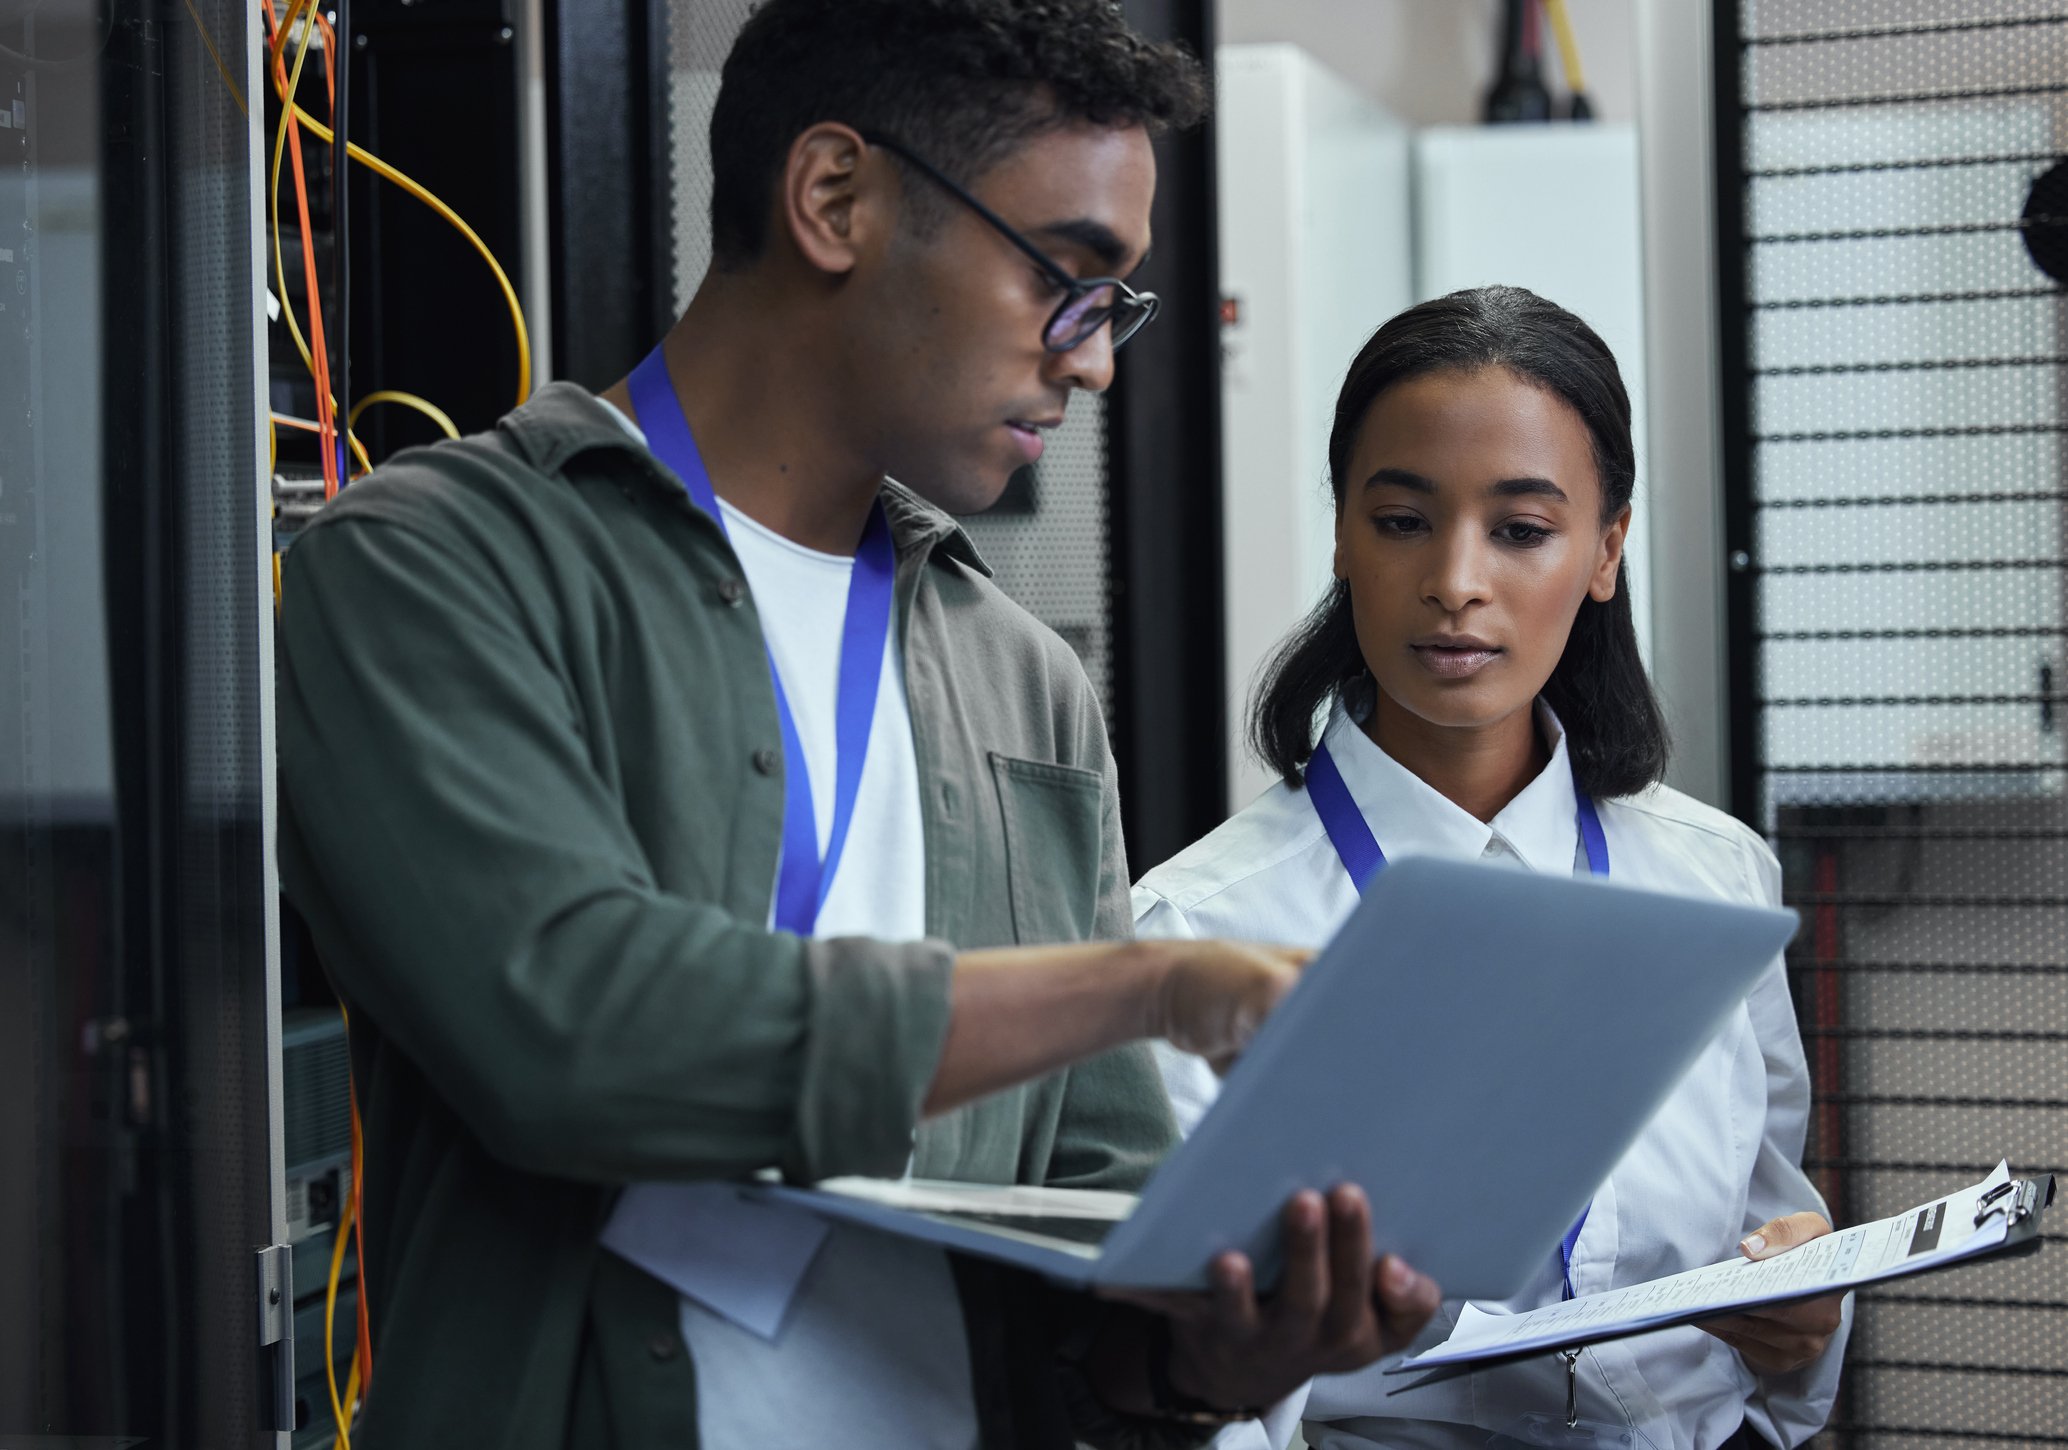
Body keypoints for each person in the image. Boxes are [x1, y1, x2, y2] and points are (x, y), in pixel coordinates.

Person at [275, 2, 1441, 1446]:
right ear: (836, 198)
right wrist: (1148, 986)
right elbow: (570, 1030)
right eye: (1065, 280)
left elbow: (1091, 1259)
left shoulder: (1027, 685)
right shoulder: (429, 568)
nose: (1095, 361)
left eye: (1115, 303)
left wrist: (1218, 1350)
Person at [1134, 286, 1850, 1450]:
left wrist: (1804, 1304)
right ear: (1341, 534)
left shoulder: (1713, 877)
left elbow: (1776, 1247)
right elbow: (1194, 1385)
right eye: (1404, 520)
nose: (1455, 580)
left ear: (1605, 548)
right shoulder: (1189, 933)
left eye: (1520, 529)